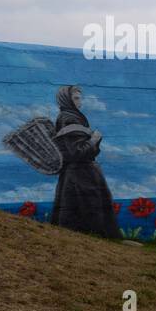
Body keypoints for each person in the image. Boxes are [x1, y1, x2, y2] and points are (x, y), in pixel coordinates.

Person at [50, 85, 119, 238]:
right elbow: (77, 152)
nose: (80, 102)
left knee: (76, 211)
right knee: (88, 208)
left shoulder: (72, 117)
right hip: (80, 175)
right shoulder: (69, 119)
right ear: (66, 99)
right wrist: (94, 139)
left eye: (80, 98)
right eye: (75, 98)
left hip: (78, 173)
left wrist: (93, 143)